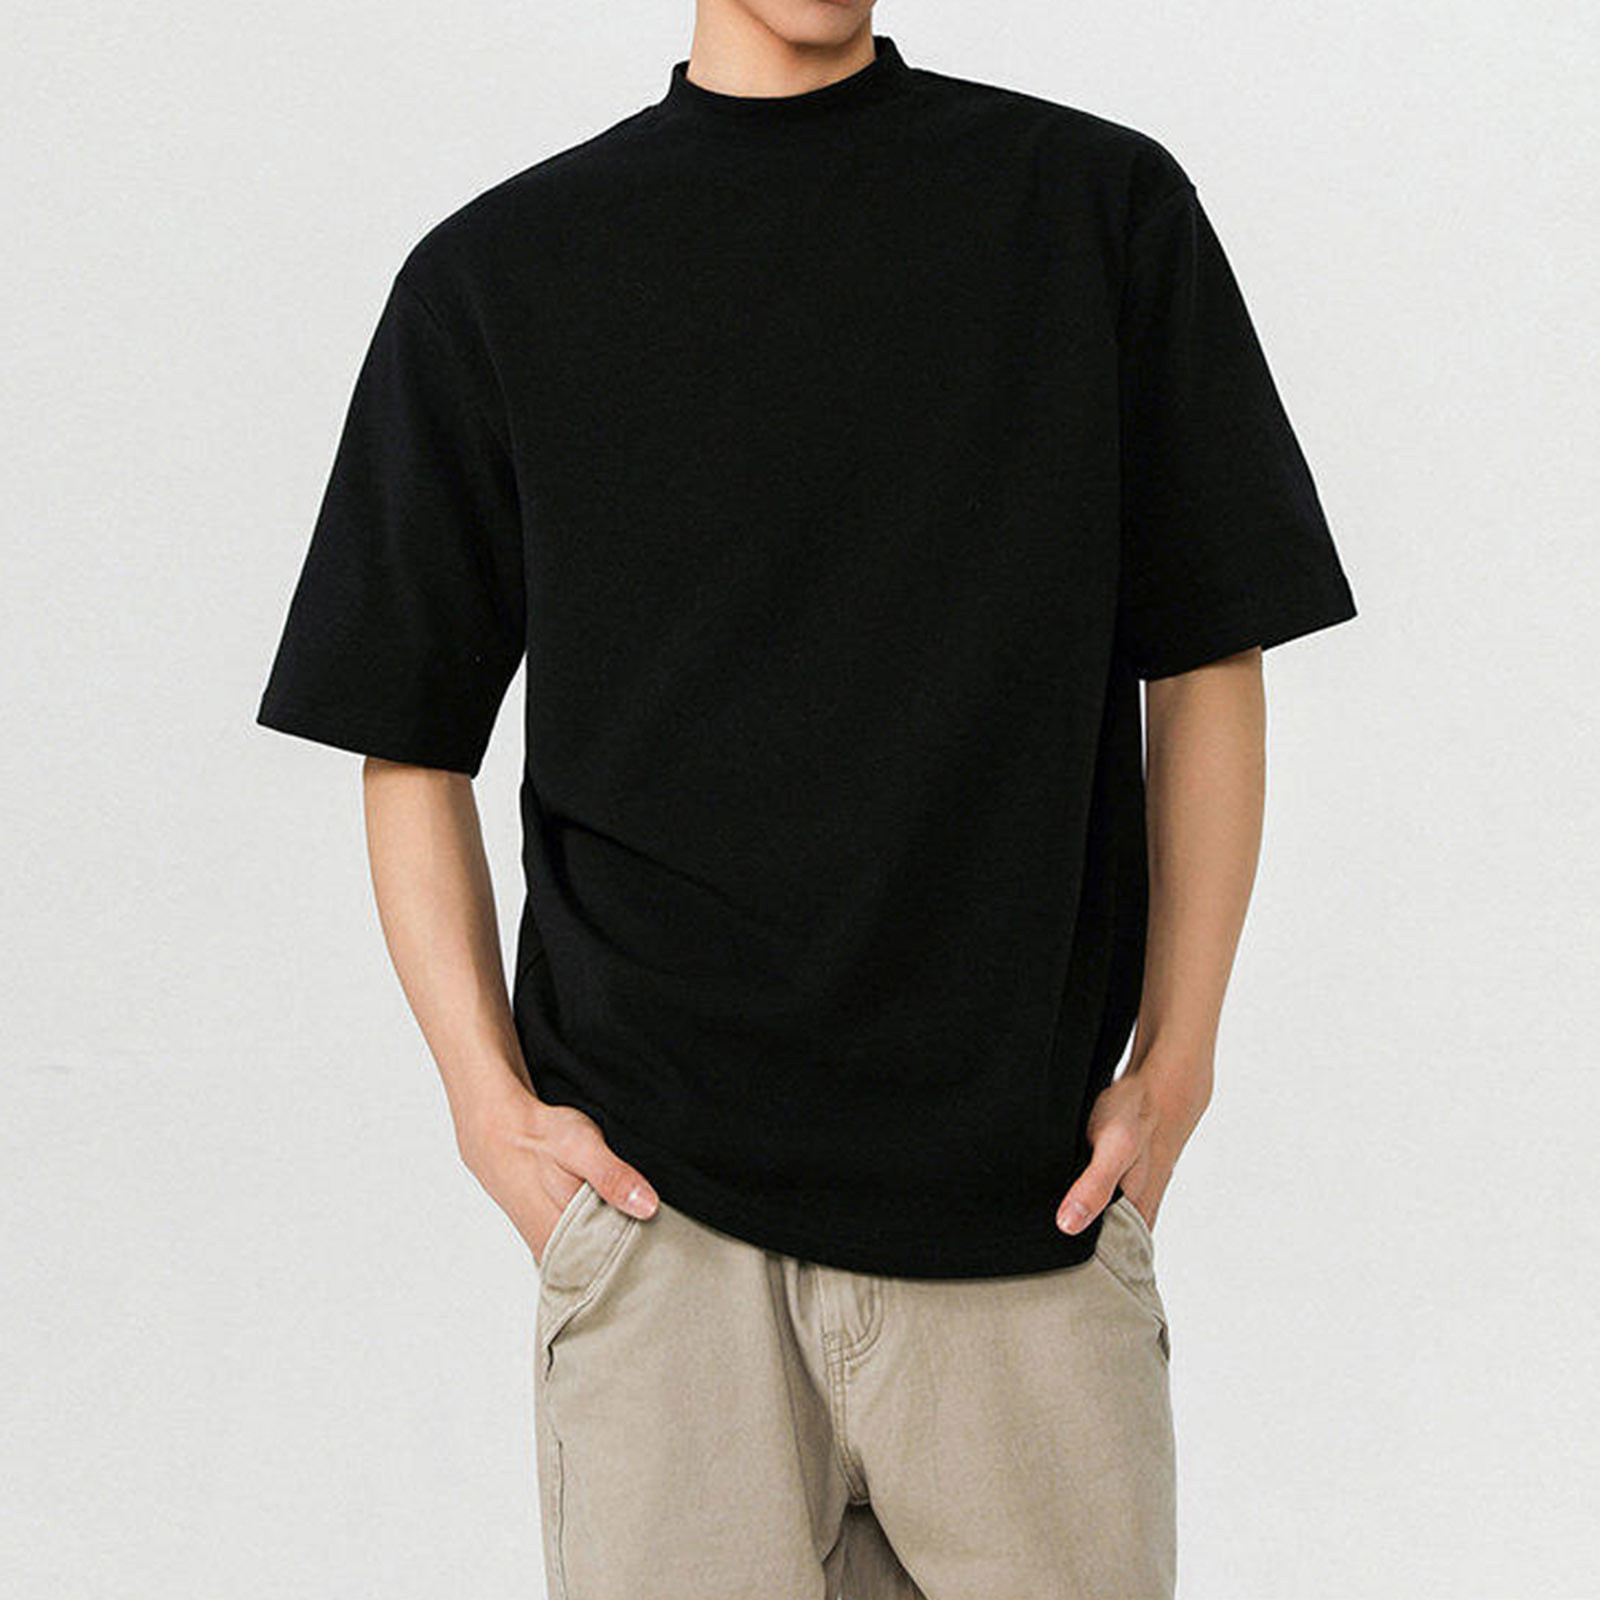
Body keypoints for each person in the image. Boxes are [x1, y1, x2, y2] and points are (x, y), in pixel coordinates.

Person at [257, 4, 1356, 1595]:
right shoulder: (500, 273)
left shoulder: (1095, 212)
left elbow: (1207, 657)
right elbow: (405, 735)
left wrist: (1178, 1060)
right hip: (665, 1237)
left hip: (1025, 1219)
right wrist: (482, 1103)